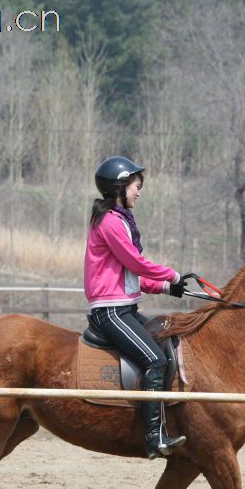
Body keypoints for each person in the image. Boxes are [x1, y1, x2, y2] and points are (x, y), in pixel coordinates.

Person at [84, 155, 188, 459]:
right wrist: (172, 274)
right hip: (110, 312)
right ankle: (153, 437)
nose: (138, 192)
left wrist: (168, 287)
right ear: (120, 186)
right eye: (135, 186)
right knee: (155, 360)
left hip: (124, 308)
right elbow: (136, 263)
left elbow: (131, 275)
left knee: (164, 343)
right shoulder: (111, 222)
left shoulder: (118, 220)